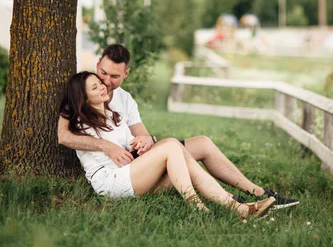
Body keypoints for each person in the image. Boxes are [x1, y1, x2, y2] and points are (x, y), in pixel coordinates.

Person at [58, 44, 299, 210]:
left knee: (201, 143)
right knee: (173, 148)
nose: (106, 82)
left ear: (126, 74)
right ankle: (225, 203)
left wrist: (147, 140)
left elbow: (145, 137)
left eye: (114, 77)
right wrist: (106, 146)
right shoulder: (81, 97)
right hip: (118, 171)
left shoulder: (124, 100)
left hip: (134, 161)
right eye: (102, 73)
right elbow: (63, 136)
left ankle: (256, 194)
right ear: (98, 64)